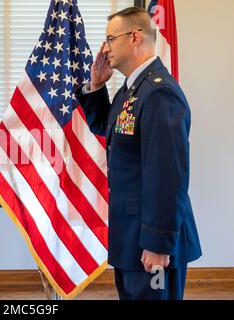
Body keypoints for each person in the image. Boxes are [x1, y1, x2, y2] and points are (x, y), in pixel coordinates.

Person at [76, 7, 202, 300]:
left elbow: (167, 176)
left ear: (135, 37)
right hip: (133, 236)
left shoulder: (159, 93)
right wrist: (96, 87)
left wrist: (158, 244)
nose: (104, 48)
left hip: (153, 240)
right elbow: (112, 132)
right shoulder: (133, 90)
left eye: (110, 38)